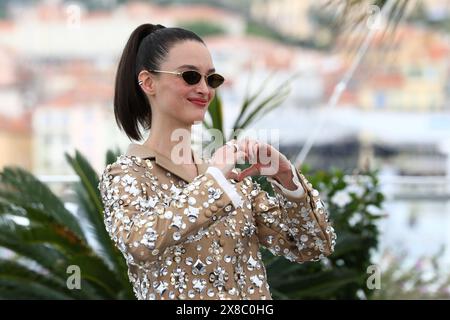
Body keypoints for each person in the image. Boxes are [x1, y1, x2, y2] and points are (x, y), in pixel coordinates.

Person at [98, 23, 336, 300]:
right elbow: (140, 243)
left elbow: (310, 246)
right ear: (148, 82)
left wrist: (287, 180)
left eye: (211, 79)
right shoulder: (126, 175)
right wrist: (213, 182)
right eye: (189, 76)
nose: (204, 89)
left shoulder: (229, 178)